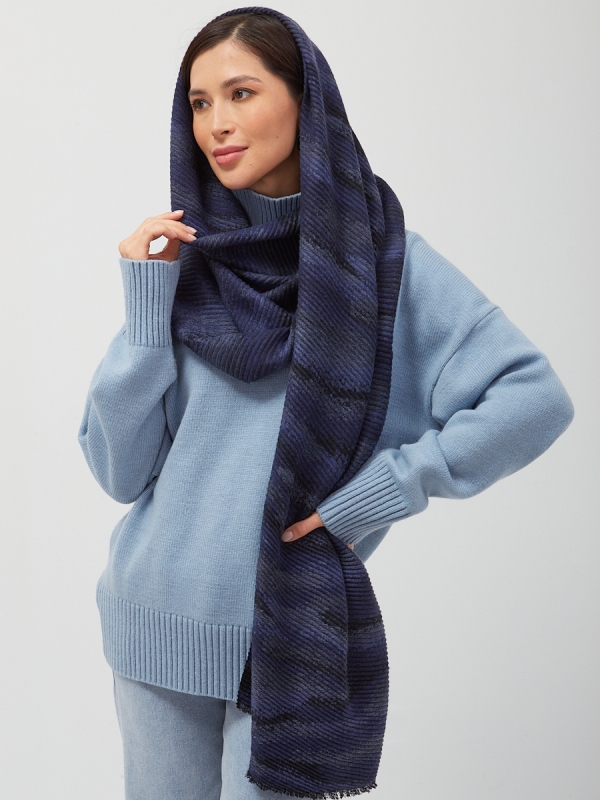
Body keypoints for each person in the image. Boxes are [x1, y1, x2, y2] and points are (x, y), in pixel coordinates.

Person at [78, 7, 574, 800]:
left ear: (304, 98)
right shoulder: (186, 261)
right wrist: (146, 305)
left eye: (241, 93)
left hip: (291, 634)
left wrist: (388, 489)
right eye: (199, 103)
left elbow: (533, 399)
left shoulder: (386, 266)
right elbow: (119, 471)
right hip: (153, 623)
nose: (216, 124)